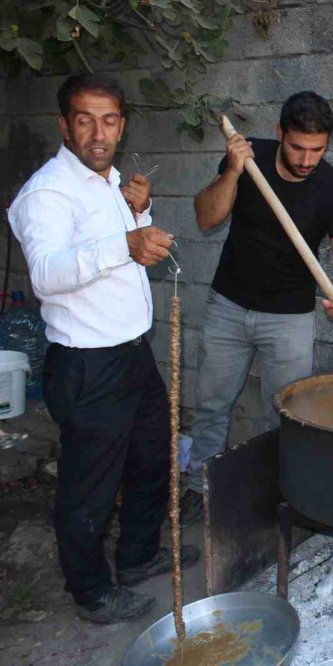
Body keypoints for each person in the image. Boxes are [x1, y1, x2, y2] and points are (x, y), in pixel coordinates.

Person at [8, 73, 200, 624]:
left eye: (109, 120)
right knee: (89, 486)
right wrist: (125, 241)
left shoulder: (109, 181)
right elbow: (47, 274)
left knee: (151, 460)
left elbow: (121, 253)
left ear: (122, 125)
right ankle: (90, 592)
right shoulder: (47, 193)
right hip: (88, 363)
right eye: (85, 120)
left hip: (131, 353)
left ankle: (137, 556)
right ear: (64, 125)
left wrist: (139, 215)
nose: (99, 133)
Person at [181, 91, 333, 524]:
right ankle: (196, 488)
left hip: (290, 319)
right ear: (280, 133)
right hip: (228, 305)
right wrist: (232, 171)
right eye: (298, 147)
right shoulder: (249, 159)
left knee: (285, 416)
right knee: (211, 405)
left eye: (317, 149)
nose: (306, 159)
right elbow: (205, 218)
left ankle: (272, 500)